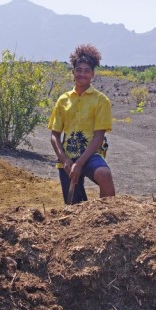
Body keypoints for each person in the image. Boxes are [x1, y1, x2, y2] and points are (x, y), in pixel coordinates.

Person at [49, 44, 116, 204]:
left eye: (87, 71)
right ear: (73, 72)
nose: (82, 74)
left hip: (91, 154)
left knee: (104, 175)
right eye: (79, 70)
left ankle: (109, 216)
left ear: (92, 74)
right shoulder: (63, 100)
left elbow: (99, 136)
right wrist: (65, 160)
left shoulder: (101, 100)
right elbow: (55, 135)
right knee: (75, 208)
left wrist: (79, 163)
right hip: (67, 158)